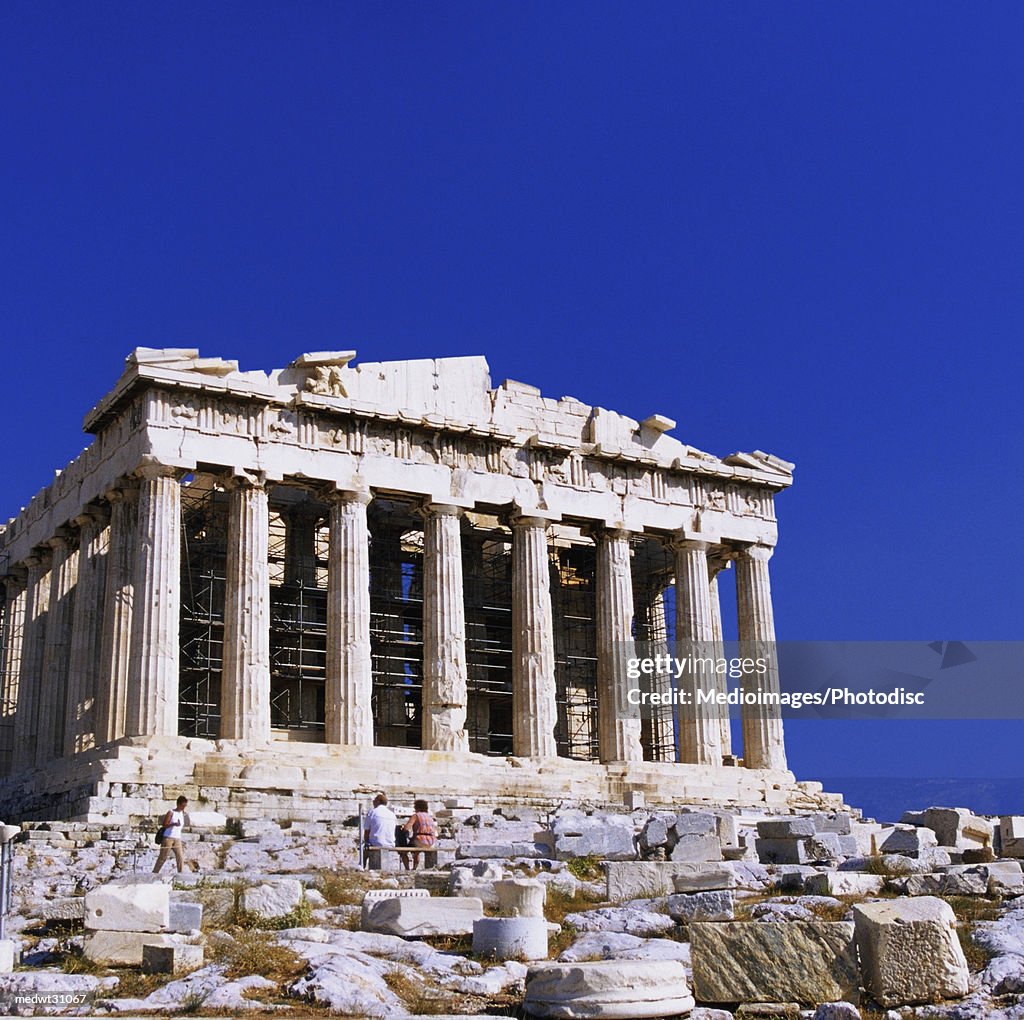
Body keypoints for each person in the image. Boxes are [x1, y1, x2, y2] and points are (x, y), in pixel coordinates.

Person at [153, 795, 188, 874]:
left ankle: (181, 873)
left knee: (180, 857)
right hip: (168, 838)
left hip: (177, 838)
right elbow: (165, 824)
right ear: (178, 804)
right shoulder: (171, 812)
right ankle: (155, 872)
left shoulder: (182, 813)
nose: (183, 807)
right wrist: (173, 824)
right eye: (182, 805)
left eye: (185, 806)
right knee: (163, 857)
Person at [363, 792, 398, 867]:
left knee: (364, 846)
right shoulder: (392, 814)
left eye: (374, 800)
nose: (373, 802)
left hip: (376, 842)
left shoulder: (372, 812)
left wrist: (366, 841)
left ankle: (362, 866)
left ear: (378, 801)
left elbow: (366, 831)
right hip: (390, 843)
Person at [401, 799, 437, 871]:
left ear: (418, 807)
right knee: (416, 852)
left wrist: (403, 827)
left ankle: (408, 869)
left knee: (403, 851)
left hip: (420, 840)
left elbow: (407, 828)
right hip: (431, 841)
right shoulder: (430, 817)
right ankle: (414, 868)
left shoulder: (416, 816)